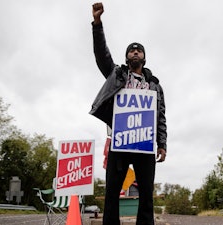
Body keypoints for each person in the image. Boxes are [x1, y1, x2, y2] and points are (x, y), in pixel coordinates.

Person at [90, 2, 167, 225]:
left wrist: (161, 143)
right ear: (127, 58)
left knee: (146, 196)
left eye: (139, 49)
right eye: (131, 50)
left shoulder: (155, 86)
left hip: (144, 144)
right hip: (120, 142)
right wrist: (97, 24)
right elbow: (101, 55)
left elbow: (160, 116)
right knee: (112, 193)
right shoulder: (116, 74)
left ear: (144, 57)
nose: (135, 51)